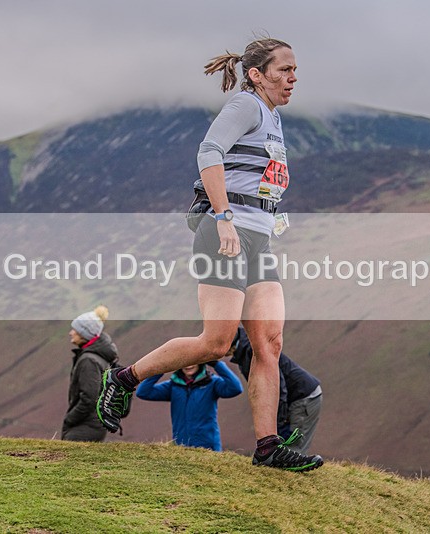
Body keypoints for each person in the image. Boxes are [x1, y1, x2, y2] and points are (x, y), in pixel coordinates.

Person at [97, 37, 323, 471]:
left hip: (258, 241)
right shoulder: (246, 106)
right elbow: (209, 152)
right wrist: (223, 217)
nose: (293, 78)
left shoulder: (273, 118)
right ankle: (124, 379)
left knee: (269, 343)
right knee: (217, 343)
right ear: (257, 74)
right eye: (284, 70)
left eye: (296, 71)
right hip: (223, 235)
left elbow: (257, 182)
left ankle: (267, 447)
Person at [229, 326, 322, 454]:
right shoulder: (246, 351)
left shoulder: (253, 350)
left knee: (293, 450)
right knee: (285, 447)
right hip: (297, 396)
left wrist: (280, 419)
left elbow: (276, 385)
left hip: (303, 397)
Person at [135, 361, 243, 451]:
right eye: (185, 361)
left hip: (208, 446)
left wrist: (216, 364)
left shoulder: (212, 383)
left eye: (193, 361)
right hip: (181, 447)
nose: (188, 365)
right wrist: (162, 368)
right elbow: (143, 392)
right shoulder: (173, 386)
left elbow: (236, 388)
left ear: (201, 362)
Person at [61, 305, 119, 442]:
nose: (71, 333)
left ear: (84, 333)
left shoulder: (89, 361)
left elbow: (89, 398)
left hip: (86, 426)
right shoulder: (97, 357)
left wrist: (70, 419)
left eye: (75, 329)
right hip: (94, 424)